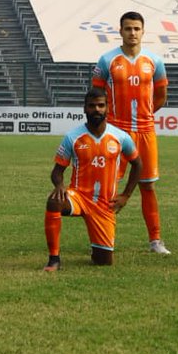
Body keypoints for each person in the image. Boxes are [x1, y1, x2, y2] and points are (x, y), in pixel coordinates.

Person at [92, 11, 172, 255]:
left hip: (146, 132)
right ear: (120, 31)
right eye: (128, 28)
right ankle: (104, 238)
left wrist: (146, 114)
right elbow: (96, 96)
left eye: (136, 28)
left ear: (143, 31)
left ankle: (155, 240)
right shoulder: (107, 60)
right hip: (116, 132)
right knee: (108, 187)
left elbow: (161, 96)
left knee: (147, 186)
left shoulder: (155, 61)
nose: (132, 33)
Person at [44, 87, 142, 270]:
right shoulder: (73, 137)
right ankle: (54, 259)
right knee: (54, 201)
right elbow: (57, 171)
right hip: (79, 197)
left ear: (107, 108)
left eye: (100, 105)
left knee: (103, 261)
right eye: (92, 106)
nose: (96, 109)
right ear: (85, 108)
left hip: (105, 204)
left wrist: (126, 195)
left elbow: (138, 164)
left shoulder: (121, 137)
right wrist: (59, 185)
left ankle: (98, 247)